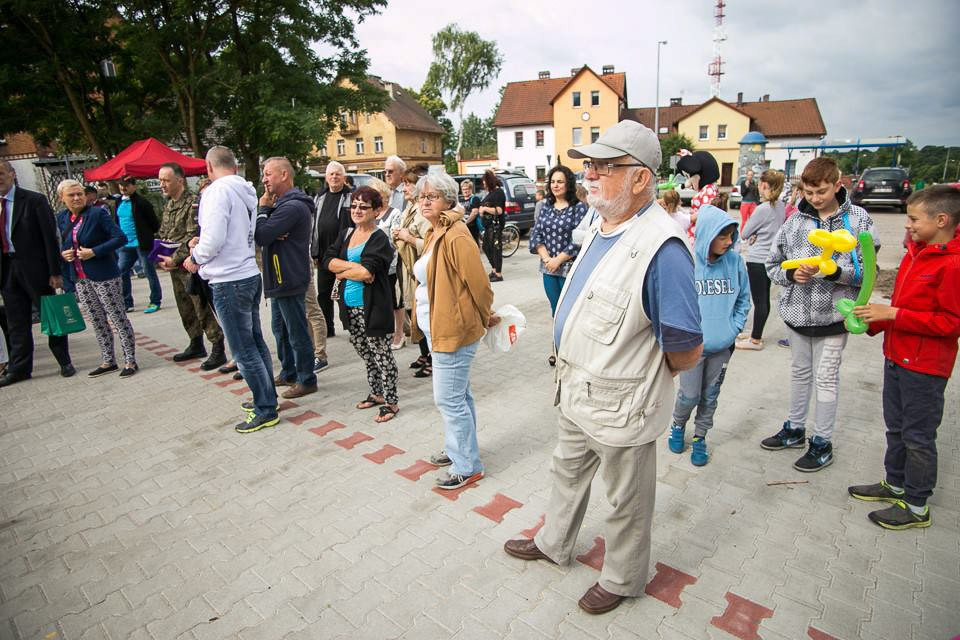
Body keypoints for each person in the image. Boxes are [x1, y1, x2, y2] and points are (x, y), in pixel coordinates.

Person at [503, 121, 703, 615]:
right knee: (566, 473)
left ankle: (622, 578)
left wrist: (645, 379)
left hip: (623, 405)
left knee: (625, 502)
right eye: (589, 165)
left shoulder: (663, 248)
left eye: (604, 167)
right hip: (576, 388)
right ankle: (554, 543)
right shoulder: (601, 224)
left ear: (640, 178)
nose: (588, 175)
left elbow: (686, 348)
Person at [848, 185, 960, 530]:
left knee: (918, 437)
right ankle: (895, 483)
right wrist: (874, 321)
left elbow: (951, 323)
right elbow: (901, 306)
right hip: (897, 357)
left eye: (913, 218)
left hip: (925, 369)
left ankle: (916, 505)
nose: (907, 225)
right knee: (896, 429)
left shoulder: (952, 265)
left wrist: (893, 314)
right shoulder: (915, 253)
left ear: (941, 220)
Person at [762, 157, 876, 471]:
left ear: (838, 185)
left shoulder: (858, 220)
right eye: (809, 192)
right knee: (800, 373)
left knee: (825, 378)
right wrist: (791, 275)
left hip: (834, 319)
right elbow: (772, 264)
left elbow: (868, 273)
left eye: (821, 191)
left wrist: (834, 272)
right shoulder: (794, 221)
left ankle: (822, 442)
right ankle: (795, 429)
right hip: (797, 315)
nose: (814, 198)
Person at [411, 172, 497, 489]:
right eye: (422, 196)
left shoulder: (456, 234)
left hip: (454, 331)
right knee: (459, 395)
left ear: (448, 199)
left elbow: (480, 284)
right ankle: (458, 449)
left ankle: (467, 466)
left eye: (432, 196)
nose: (425, 201)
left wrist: (485, 315)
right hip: (437, 329)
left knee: (448, 400)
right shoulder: (435, 230)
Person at [184, 146, 277, 434]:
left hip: (228, 279)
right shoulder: (244, 189)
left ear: (209, 167)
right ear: (234, 166)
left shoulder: (217, 192)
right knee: (255, 343)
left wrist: (195, 257)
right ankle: (267, 398)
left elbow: (213, 239)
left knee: (243, 349)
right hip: (247, 273)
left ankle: (265, 409)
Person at [668, 205, 750, 466]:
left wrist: (733, 328)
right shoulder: (688, 262)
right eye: (722, 236)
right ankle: (678, 424)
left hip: (722, 347)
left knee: (710, 395)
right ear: (707, 234)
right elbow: (676, 302)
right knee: (689, 395)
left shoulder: (735, 262)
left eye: (730, 236)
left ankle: (700, 436)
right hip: (693, 348)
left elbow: (744, 299)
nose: (728, 242)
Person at [323, 186, 399, 423]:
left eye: (363, 207)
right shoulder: (346, 233)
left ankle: (391, 402)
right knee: (365, 352)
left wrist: (342, 270)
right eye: (354, 205)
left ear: (376, 211)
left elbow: (368, 272)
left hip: (373, 307)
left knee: (382, 355)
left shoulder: (380, 238)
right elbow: (328, 260)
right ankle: (376, 393)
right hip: (349, 307)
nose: (356, 210)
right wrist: (352, 269)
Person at [0, 160, 75, 387]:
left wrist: (55, 271)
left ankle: (64, 361)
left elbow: (49, 238)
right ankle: (20, 369)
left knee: (51, 316)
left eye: (1, 173)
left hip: (35, 269)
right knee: (16, 321)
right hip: (7, 269)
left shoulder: (33, 201)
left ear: (12, 174)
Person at [56, 180, 138, 377]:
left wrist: (94, 251)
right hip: (80, 278)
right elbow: (63, 243)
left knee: (117, 317)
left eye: (80, 194)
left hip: (104, 275)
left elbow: (120, 238)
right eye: (71, 195)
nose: (77, 198)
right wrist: (64, 254)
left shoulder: (97, 214)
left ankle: (130, 360)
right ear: (62, 198)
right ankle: (108, 360)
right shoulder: (62, 218)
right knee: (97, 320)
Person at [255, 157, 318, 400]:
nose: (264, 179)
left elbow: (262, 235)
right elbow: (266, 234)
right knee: (279, 328)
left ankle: (306, 379)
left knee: (296, 331)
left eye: (268, 174)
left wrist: (264, 211)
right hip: (278, 277)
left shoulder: (292, 207)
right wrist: (270, 222)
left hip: (288, 276)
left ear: (284, 175)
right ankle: (289, 372)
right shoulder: (281, 205)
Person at [156, 163, 227, 369]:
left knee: (201, 306)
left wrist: (175, 258)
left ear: (180, 180)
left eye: (166, 180)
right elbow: (164, 234)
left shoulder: (194, 203)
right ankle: (195, 342)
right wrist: (162, 257)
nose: (162, 184)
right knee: (184, 307)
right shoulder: (169, 205)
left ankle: (217, 346)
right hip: (175, 267)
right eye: (160, 180)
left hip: (190, 265)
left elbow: (193, 235)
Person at [528, 165, 587, 366]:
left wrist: (558, 260)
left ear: (568, 183)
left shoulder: (579, 208)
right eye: (553, 181)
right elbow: (536, 234)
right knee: (556, 310)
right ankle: (557, 347)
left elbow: (579, 239)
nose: (555, 185)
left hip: (570, 268)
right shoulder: (545, 206)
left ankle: (573, 350)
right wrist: (547, 259)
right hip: (549, 269)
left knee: (570, 310)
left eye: (560, 181)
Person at [737, 169, 786, 351]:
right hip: (771, 257)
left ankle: (755, 339)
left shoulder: (762, 208)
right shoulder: (780, 206)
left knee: (759, 300)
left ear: (764, 185)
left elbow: (745, 232)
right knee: (764, 298)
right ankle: (756, 332)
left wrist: (755, 234)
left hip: (757, 258)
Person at [393, 164, 433, 377]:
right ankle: (424, 354)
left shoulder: (423, 212)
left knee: (422, 314)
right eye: (404, 184)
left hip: (419, 270)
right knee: (413, 311)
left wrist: (407, 237)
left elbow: (430, 244)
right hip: (408, 269)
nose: (404, 188)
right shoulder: (409, 208)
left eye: (408, 184)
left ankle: (432, 358)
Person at [312, 161, 353, 337]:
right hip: (323, 254)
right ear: (326, 177)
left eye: (338, 174)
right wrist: (313, 251)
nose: (334, 177)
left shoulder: (350, 197)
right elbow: (314, 226)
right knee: (323, 294)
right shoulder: (319, 197)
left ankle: (352, 328)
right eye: (331, 174)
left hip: (344, 254)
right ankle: (328, 328)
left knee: (345, 293)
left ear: (344, 177)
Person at [113, 176, 162, 314]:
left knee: (148, 271)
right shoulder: (118, 201)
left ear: (134, 186)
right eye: (121, 185)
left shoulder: (141, 202)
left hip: (142, 243)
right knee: (121, 271)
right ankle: (127, 302)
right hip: (125, 244)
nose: (124, 187)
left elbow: (154, 223)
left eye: (127, 185)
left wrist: (147, 235)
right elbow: (116, 220)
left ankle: (155, 300)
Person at [369, 178, 406, 350]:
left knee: (395, 301)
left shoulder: (394, 213)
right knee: (382, 301)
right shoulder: (371, 213)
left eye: (379, 195)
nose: (377, 199)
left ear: (386, 196)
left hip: (391, 264)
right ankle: (387, 332)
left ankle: (399, 334)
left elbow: (395, 238)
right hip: (374, 265)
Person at [478, 169, 506, 281]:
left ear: (489, 182)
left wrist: (484, 209)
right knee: (486, 247)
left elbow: (499, 210)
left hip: (495, 226)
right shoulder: (492, 192)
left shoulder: (499, 192)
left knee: (496, 249)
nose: (484, 185)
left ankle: (498, 274)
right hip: (488, 226)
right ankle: (494, 269)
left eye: (485, 182)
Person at [460, 178, 482, 244]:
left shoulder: (475, 199)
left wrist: (466, 223)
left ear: (470, 189)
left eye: (466, 189)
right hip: (462, 228)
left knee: (474, 244)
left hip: (473, 228)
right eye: (463, 189)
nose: (465, 191)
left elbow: (474, 212)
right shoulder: (460, 200)